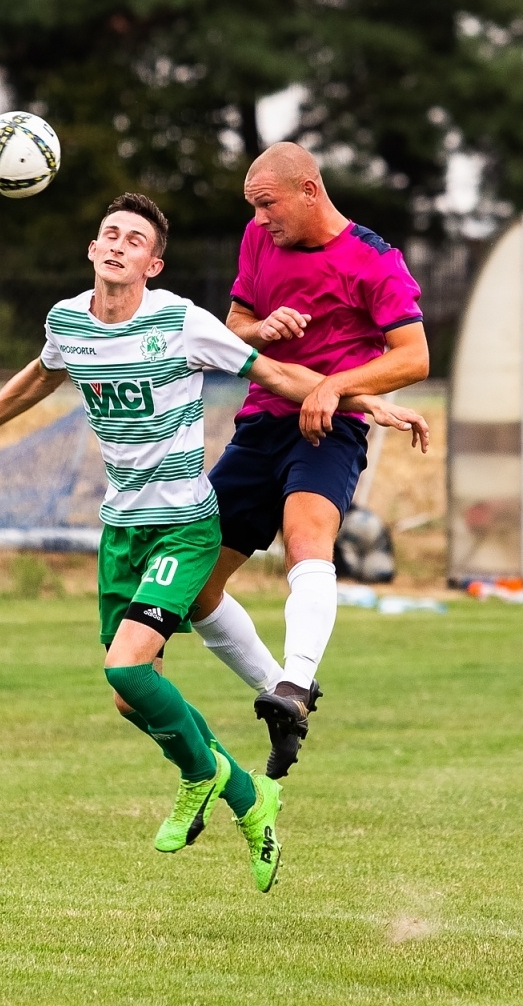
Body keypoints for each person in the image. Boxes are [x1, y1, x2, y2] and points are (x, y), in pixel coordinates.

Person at [0, 193, 429, 892]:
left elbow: (276, 373)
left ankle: (206, 767)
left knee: (125, 669)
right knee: (132, 697)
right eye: (109, 234)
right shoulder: (67, 321)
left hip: (185, 524)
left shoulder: (182, 323)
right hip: (119, 529)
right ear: (93, 250)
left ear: (153, 263)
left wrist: (366, 402)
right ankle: (244, 795)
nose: (118, 244)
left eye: (134, 239)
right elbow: (43, 371)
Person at [185, 143, 432, 780]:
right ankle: (282, 692)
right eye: (254, 208)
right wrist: (262, 329)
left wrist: (334, 385)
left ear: (309, 191)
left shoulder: (375, 261)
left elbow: (414, 357)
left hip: (332, 428)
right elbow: (233, 323)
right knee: (197, 588)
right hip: (261, 422)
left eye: (268, 205)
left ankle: (297, 682)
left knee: (305, 539)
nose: (261, 219)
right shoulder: (257, 238)